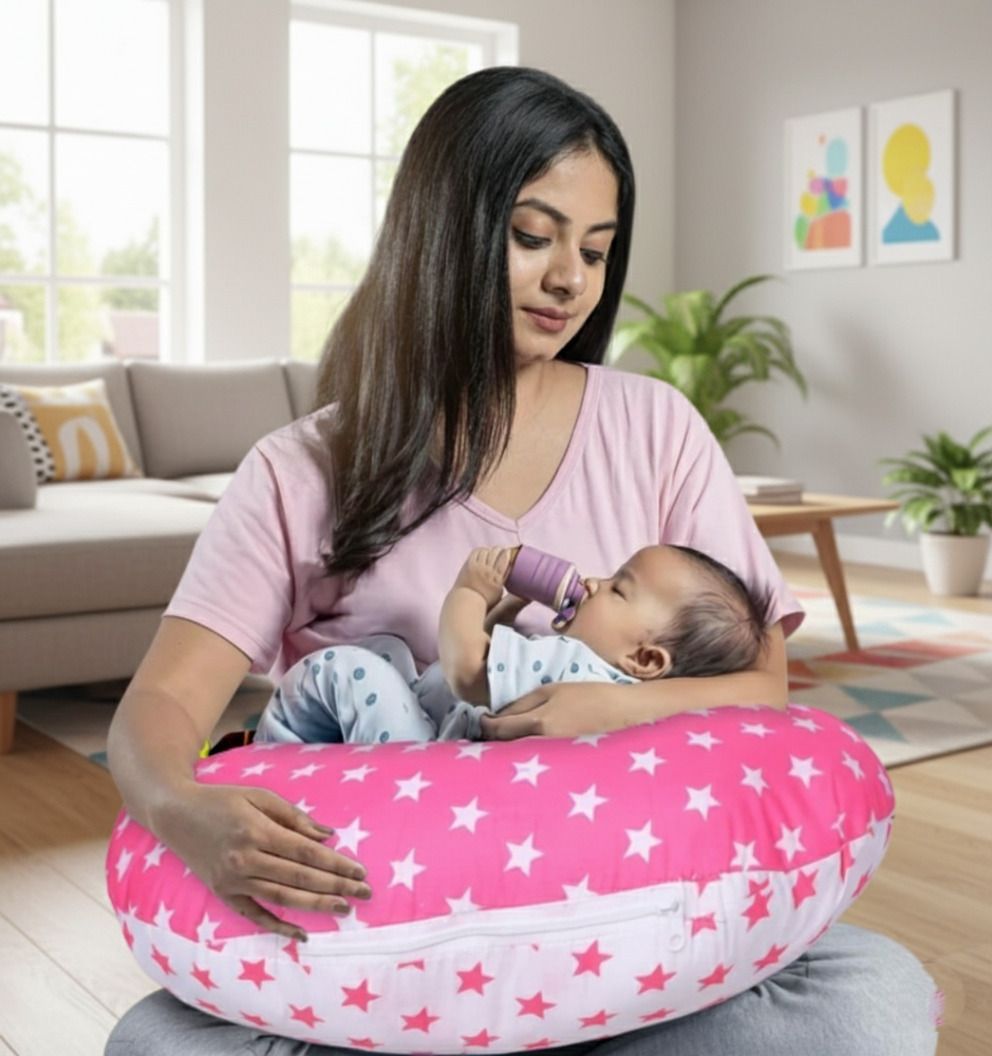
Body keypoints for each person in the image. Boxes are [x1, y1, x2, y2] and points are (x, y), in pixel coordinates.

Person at [105, 66, 939, 1055]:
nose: (568, 280)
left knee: (871, 994)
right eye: (533, 236)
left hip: (614, 937)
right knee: (155, 1045)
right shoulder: (299, 470)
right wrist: (182, 810)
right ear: (442, 228)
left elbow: (761, 680)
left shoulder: (654, 428)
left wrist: (610, 706)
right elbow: (156, 713)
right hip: (387, 955)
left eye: (594, 248)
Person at [254, 542, 773, 745]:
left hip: (421, 765)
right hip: (451, 745)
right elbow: (490, 686)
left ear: (644, 659)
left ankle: (279, 748)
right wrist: (508, 614)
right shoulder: (628, 705)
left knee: (356, 669)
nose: (592, 582)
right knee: (392, 657)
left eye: (617, 587)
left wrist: (470, 594)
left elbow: (464, 670)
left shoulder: (570, 667)